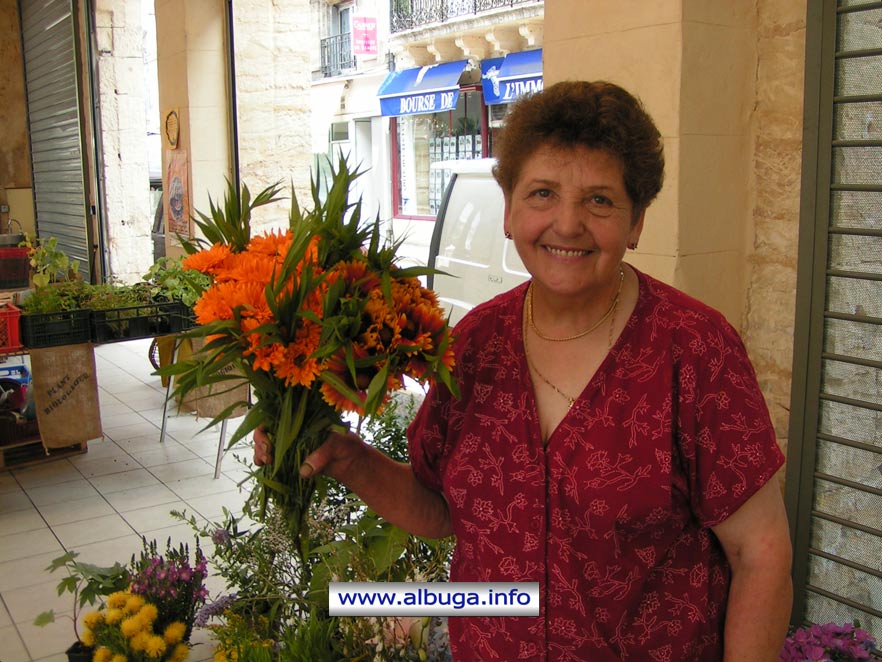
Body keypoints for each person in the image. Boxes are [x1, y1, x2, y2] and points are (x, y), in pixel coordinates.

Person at [255, 80, 793, 661]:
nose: (567, 223)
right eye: (542, 193)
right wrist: (347, 457)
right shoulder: (474, 346)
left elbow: (761, 555)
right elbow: (441, 510)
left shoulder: (695, 351)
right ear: (508, 209)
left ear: (636, 222)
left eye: (600, 200)